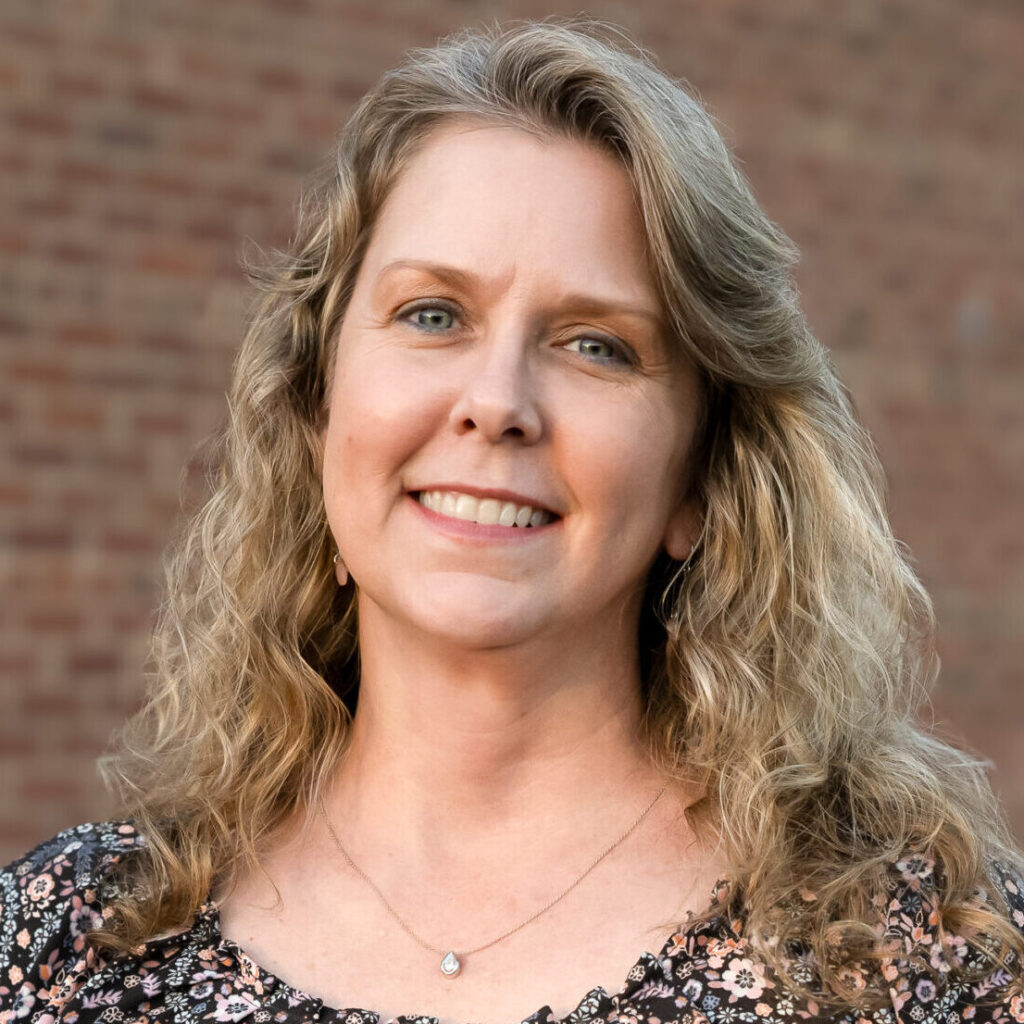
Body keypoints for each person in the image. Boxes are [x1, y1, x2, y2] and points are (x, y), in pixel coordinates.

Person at [2, 18, 1022, 1024]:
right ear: (318, 408)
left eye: (595, 345)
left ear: (698, 479)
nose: (496, 402)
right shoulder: (67, 951)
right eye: (432, 315)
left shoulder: (919, 960)